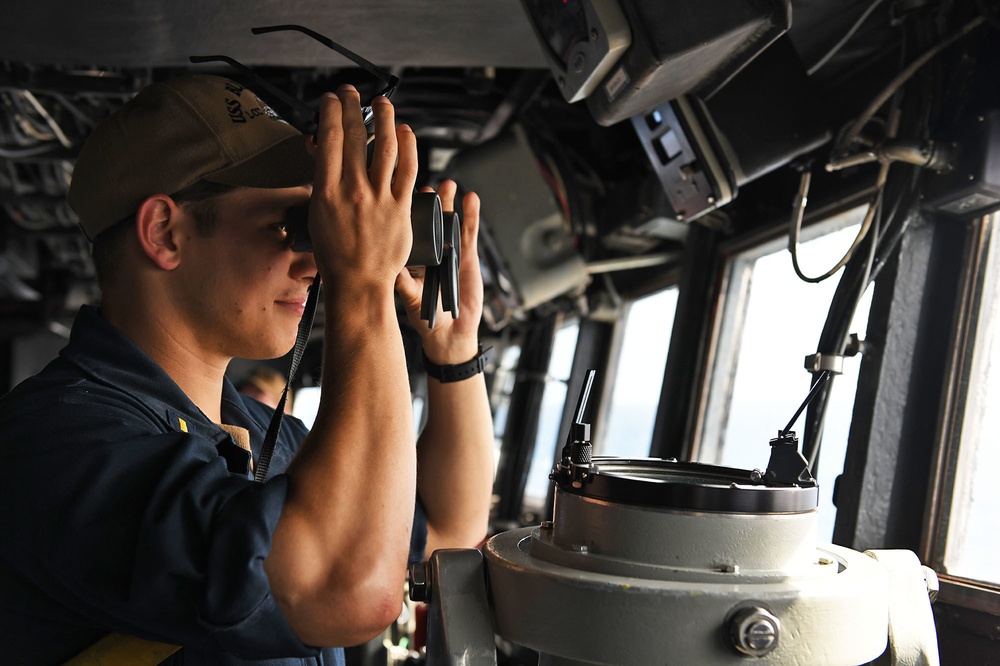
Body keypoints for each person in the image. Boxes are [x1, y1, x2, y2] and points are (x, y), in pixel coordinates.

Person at [0, 74, 496, 664]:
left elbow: (446, 536)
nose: (317, 263)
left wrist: (454, 352)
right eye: (294, 223)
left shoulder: (274, 440)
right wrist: (362, 282)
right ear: (164, 232)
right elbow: (346, 591)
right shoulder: (55, 443)